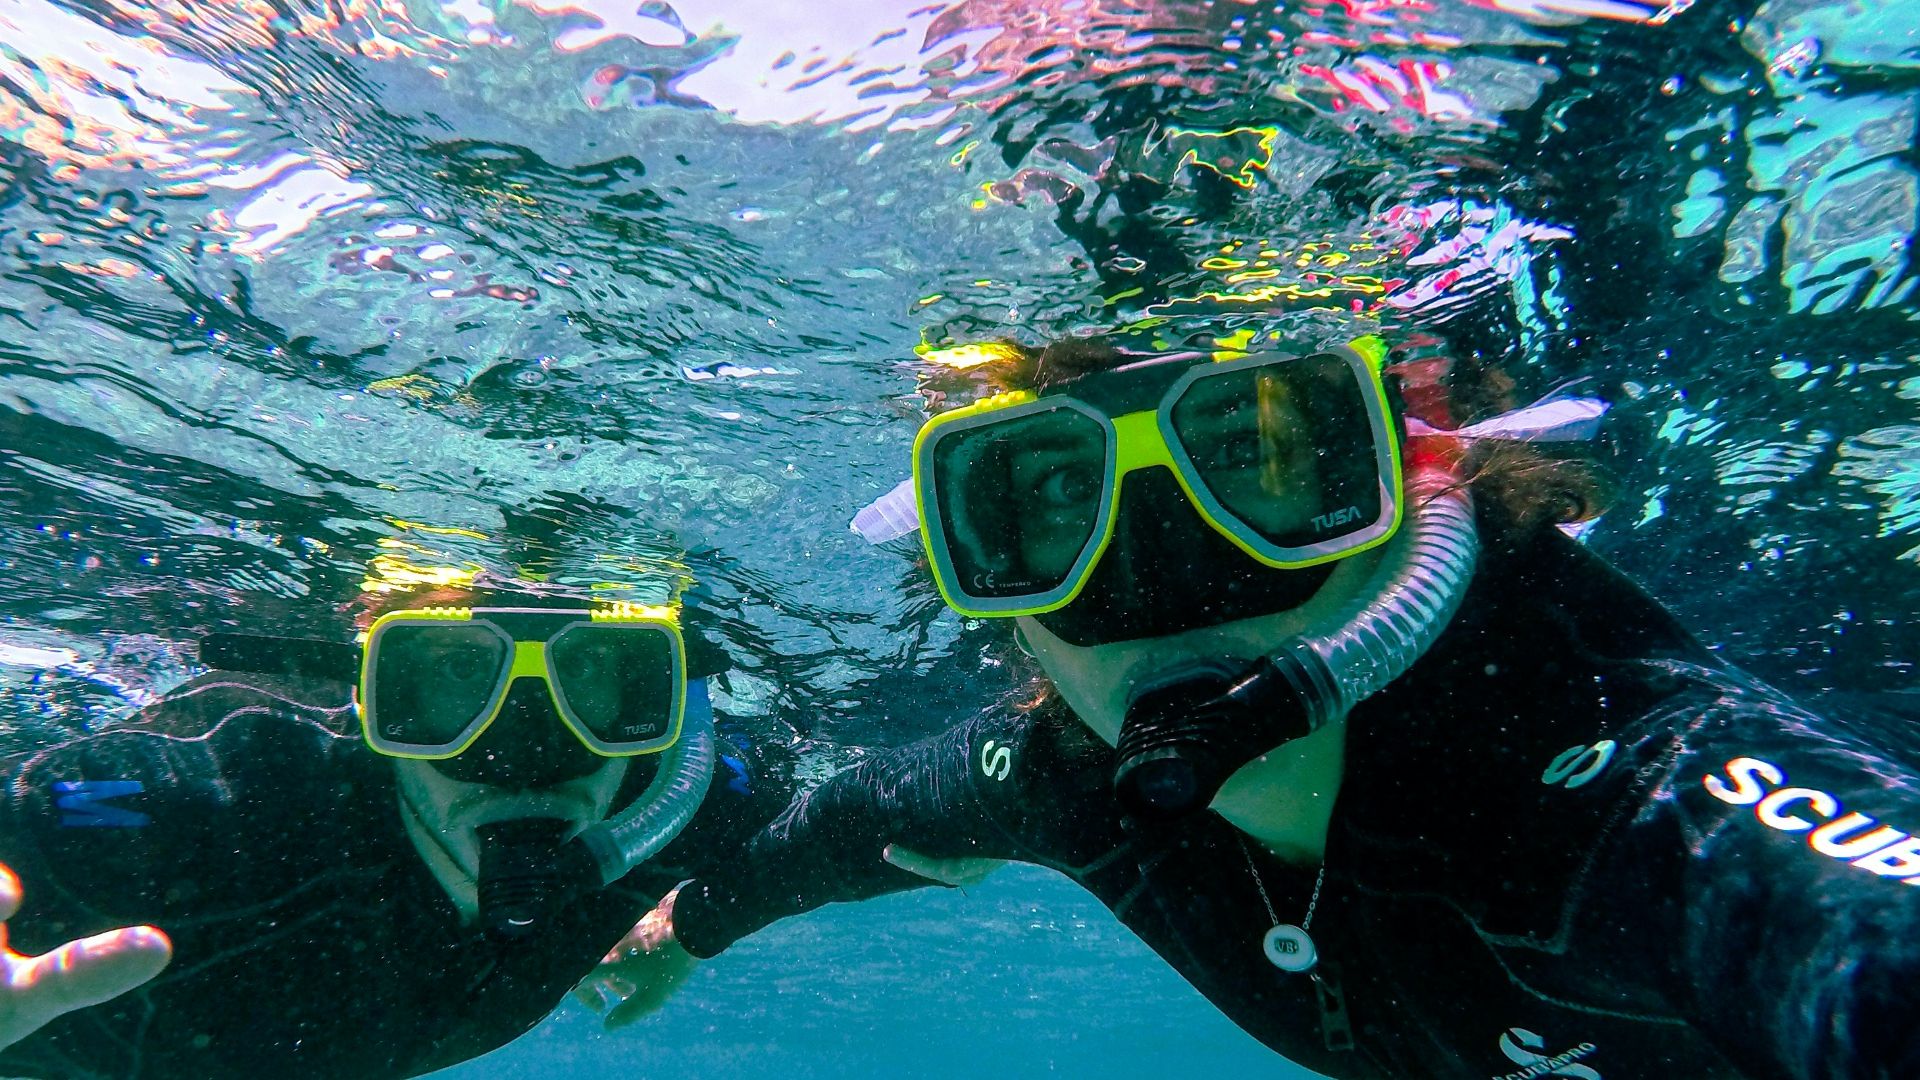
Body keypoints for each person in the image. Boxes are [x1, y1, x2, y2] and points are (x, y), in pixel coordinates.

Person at [619, 335, 1920, 1078]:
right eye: (1052, 501)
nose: (1156, 585)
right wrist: (692, 924)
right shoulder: (1065, 769)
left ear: (1424, 497)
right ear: (987, 582)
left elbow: (1847, 928)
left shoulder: (1646, 790)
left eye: (1257, 460)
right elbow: (850, 819)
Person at [0, 573, 789, 1079]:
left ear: (649, 698)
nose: (528, 754)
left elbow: (876, 809)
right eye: (452, 670)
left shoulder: (689, 799)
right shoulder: (225, 807)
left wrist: (702, 916)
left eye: (587, 671)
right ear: (379, 699)